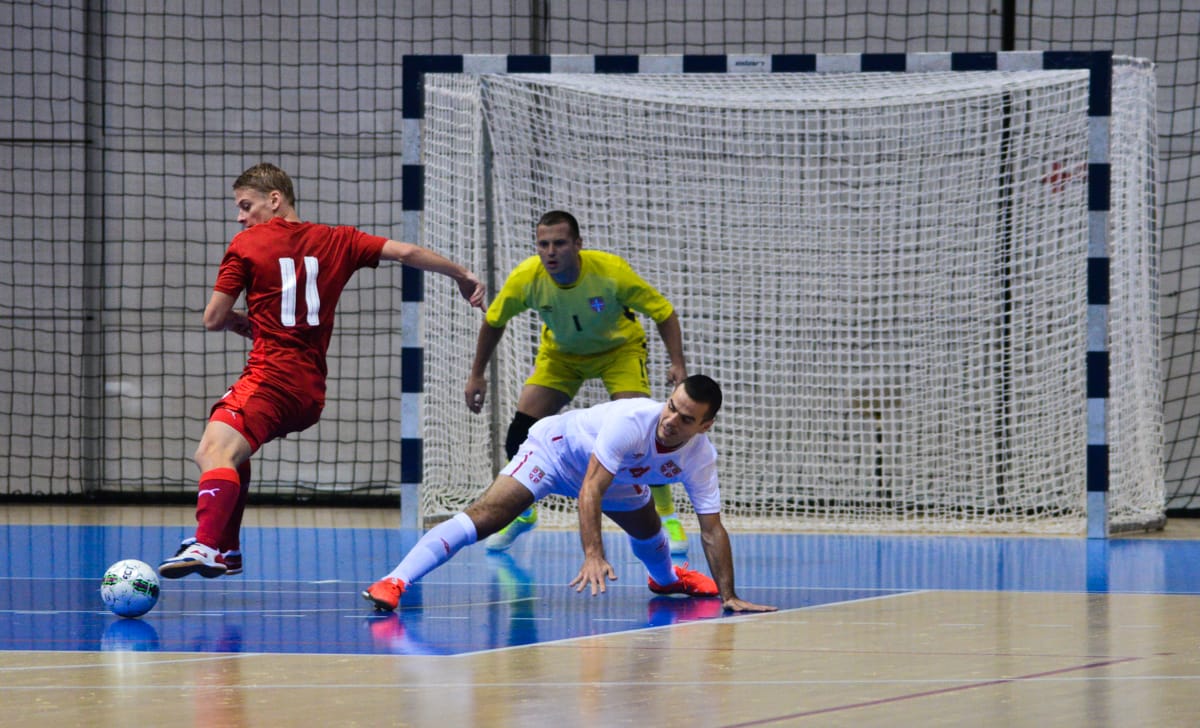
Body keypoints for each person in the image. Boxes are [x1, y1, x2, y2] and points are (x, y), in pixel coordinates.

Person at [158, 162, 485, 579]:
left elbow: (213, 318)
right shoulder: (339, 240)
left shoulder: (246, 244)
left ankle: (206, 546)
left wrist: (247, 325)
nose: (240, 217)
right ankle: (228, 547)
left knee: (211, 451)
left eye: (246, 205)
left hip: (271, 378)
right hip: (309, 391)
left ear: (275, 199)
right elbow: (405, 252)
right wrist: (461, 274)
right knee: (232, 448)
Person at [363, 375, 777, 614]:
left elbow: (712, 528)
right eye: (671, 406)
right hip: (555, 453)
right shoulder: (633, 420)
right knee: (488, 515)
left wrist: (730, 596)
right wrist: (593, 554)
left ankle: (666, 580)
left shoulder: (700, 458)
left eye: (686, 419)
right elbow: (590, 489)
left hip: (616, 474)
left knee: (649, 529)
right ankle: (395, 580)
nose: (670, 420)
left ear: (704, 426)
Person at [465, 210, 692, 554]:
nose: (550, 252)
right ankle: (523, 513)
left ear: (578, 245)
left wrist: (677, 363)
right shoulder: (527, 277)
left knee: (643, 431)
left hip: (619, 351)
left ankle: (667, 517)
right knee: (521, 432)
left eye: (559, 243)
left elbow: (663, 312)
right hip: (561, 356)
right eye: (543, 244)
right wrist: (476, 374)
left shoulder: (610, 272)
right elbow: (494, 321)